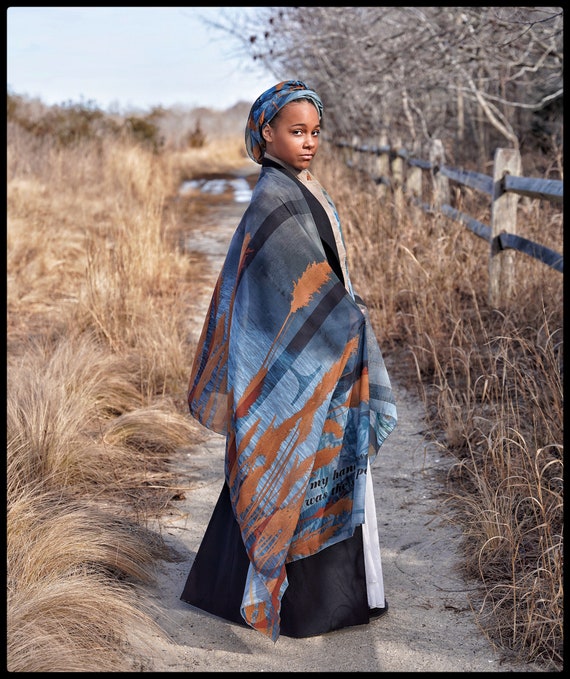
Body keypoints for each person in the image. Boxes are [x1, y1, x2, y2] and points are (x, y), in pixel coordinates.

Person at [180, 80, 397, 642]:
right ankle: (303, 607)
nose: (309, 143)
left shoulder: (307, 189)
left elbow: (325, 277)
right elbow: (289, 294)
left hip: (326, 358)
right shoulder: (270, 200)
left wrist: (345, 319)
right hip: (298, 368)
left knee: (306, 465)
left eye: (315, 132)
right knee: (283, 462)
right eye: (296, 132)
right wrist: (347, 321)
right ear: (265, 133)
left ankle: (278, 594)